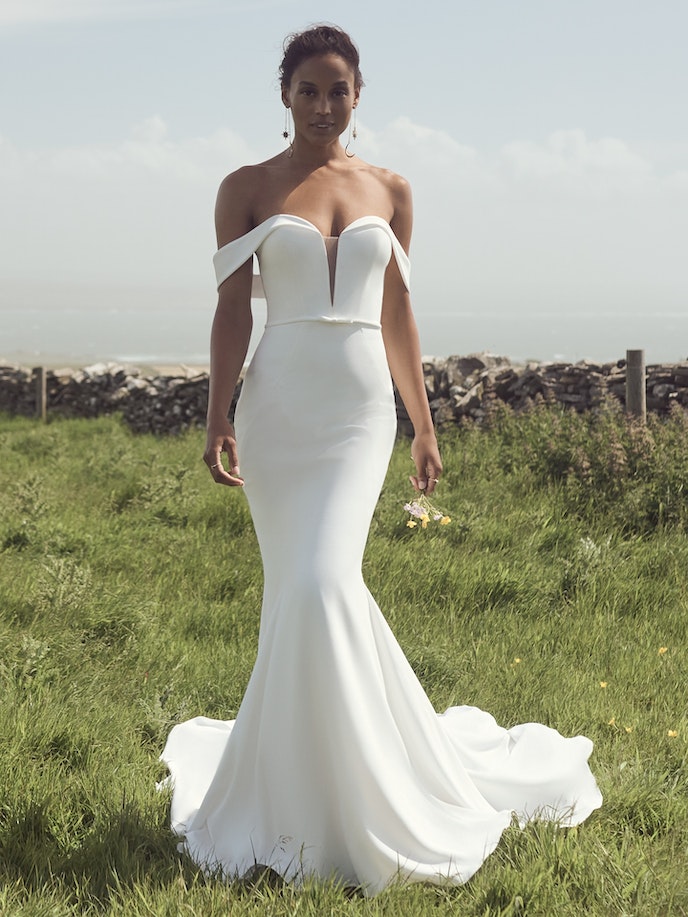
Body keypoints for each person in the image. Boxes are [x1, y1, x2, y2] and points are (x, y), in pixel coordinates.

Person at [161, 25, 602, 895]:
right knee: (301, 590)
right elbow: (229, 314)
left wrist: (423, 422)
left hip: (359, 409)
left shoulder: (392, 189)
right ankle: (295, 789)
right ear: (283, 96)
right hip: (280, 403)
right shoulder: (245, 188)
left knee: (328, 584)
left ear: (359, 95)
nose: (324, 106)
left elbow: (399, 313)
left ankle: (370, 788)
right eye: (307, 91)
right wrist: (218, 413)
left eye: (339, 90)